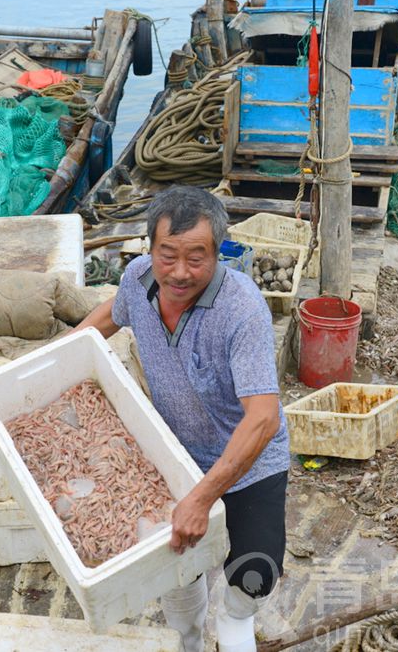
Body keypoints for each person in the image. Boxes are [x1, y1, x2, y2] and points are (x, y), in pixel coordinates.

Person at [76, 185, 289, 651]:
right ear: (149, 248)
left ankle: (234, 624)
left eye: (196, 257)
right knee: (177, 566)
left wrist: (201, 497)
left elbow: (263, 419)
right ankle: (188, 636)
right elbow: (110, 316)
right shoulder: (138, 279)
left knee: (256, 572)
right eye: (166, 254)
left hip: (251, 463)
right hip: (177, 455)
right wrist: (62, 353)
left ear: (218, 253)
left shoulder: (243, 309)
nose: (179, 272)